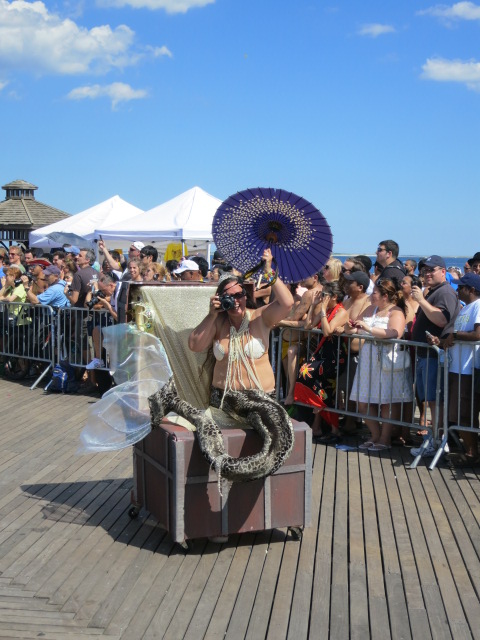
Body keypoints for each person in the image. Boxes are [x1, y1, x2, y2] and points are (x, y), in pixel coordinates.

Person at [188, 249, 293, 404]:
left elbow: (287, 304)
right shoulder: (217, 322)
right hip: (223, 399)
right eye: (228, 297)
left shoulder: (259, 317)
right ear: (220, 299)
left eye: (238, 295)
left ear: (245, 296)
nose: (235, 301)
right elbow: (194, 345)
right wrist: (211, 315)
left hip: (260, 400)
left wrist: (268, 271)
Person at [350, 278, 413, 451]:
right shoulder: (370, 309)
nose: (371, 296)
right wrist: (350, 328)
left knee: (387, 402)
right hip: (367, 359)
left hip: (387, 360)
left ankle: (385, 439)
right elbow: (358, 327)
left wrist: (369, 329)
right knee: (363, 401)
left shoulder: (396, 312)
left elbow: (395, 332)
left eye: (375, 293)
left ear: (385, 296)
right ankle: (375, 435)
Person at [427, 273, 480, 466]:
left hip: (468, 369)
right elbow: (454, 339)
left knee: (465, 412)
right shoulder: (466, 308)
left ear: (471, 290)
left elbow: (477, 334)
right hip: (457, 367)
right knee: (458, 413)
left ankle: (472, 453)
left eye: (461, 287)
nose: (457, 291)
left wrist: (455, 335)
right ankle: (469, 450)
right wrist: (439, 341)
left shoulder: (478, 306)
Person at [411, 255, 460, 441]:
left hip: (434, 356)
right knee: (430, 400)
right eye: (425, 270)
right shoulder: (434, 291)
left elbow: (441, 319)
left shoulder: (445, 292)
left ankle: (438, 441)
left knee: (435, 401)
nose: (427, 274)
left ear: (443, 272)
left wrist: (421, 300)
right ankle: (435, 440)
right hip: (426, 354)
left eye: (431, 270)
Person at [295, 281, 348, 443]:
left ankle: (333, 429)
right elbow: (308, 326)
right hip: (323, 354)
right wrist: (313, 306)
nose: (323, 297)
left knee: (310, 376)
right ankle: (322, 426)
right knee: (323, 390)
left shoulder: (341, 311)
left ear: (334, 297)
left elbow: (327, 331)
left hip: (334, 356)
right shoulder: (328, 310)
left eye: (325, 295)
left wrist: (323, 311)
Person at [277, 271, 325, 406]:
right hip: (317, 339)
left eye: (306, 276)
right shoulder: (323, 290)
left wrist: (278, 322)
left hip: (311, 340)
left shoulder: (309, 294)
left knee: (292, 358)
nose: (302, 278)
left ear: (315, 278)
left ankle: (291, 394)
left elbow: (295, 317)